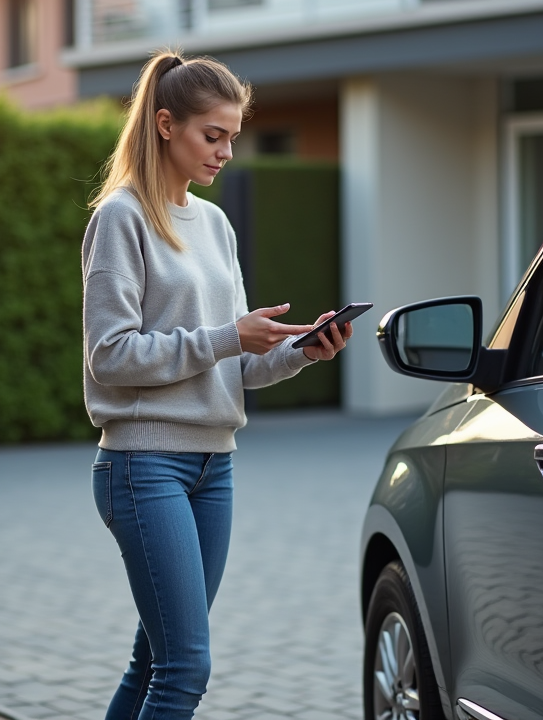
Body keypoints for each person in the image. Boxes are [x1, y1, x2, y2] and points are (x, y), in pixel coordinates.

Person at [82, 49, 353, 720]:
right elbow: (109, 357)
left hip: (215, 467)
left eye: (234, 136)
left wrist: (301, 353)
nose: (228, 151)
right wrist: (228, 336)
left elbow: (234, 368)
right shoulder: (121, 218)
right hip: (143, 464)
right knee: (184, 668)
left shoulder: (217, 225)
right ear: (167, 124)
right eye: (215, 135)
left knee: (154, 659)